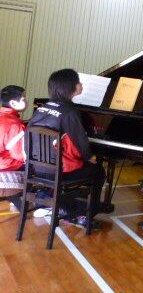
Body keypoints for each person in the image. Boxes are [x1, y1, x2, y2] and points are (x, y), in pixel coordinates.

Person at [27, 69, 106, 227]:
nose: (81, 85)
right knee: (98, 171)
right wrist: (89, 156)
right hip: (59, 171)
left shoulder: (42, 108)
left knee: (85, 165)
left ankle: (63, 204)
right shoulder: (69, 111)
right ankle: (83, 214)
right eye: (79, 82)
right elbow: (79, 143)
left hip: (37, 168)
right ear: (71, 87)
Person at [0, 85, 27, 212]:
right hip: (4, 165)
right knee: (38, 166)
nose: (26, 101)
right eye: (23, 99)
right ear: (13, 103)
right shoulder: (16, 124)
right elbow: (19, 155)